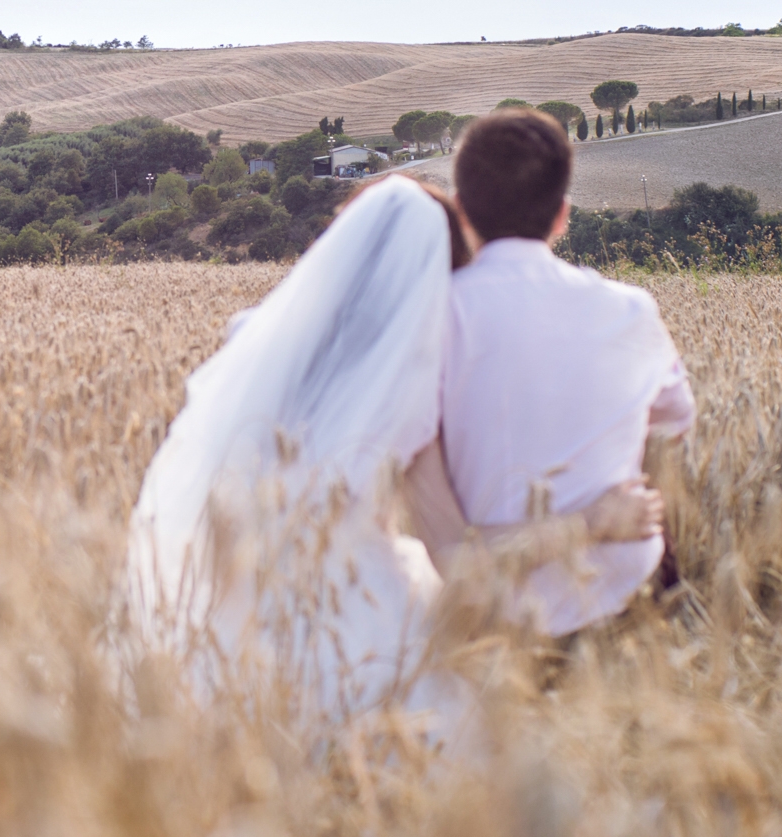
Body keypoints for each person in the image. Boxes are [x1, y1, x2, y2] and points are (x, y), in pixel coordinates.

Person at [124, 174, 663, 740]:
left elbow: (215, 513)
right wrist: (592, 522)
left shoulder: (251, 340)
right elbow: (459, 561)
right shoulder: (407, 390)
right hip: (358, 641)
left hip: (229, 632)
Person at [438, 109, 695, 637]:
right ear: (562, 215)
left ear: (462, 212)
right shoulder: (632, 311)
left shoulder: (434, 316)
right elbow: (675, 425)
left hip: (481, 616)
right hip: (624, 606)